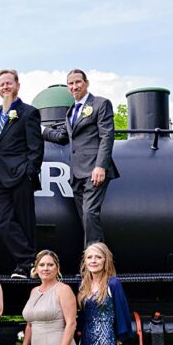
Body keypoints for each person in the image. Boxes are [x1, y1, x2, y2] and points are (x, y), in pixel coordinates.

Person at [41, 69, 120, 246]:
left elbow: (107, 135)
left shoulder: (100, 103)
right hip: (76, 173)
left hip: (94, 169)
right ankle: (94, 258)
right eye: (71, 83)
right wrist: (41, 130)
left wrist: (101, 166)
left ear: (86, 83)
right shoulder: (71, 112)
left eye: (78, 82)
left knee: (90, 213)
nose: (74, 86)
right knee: (85, 218)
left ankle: (94, 261)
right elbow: (62, 137)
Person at [0, 69, 43, 279]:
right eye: (2, 84)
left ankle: (24, 266)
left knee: (25, 221)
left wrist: (29, 172)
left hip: (21, 175)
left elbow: (36, 146)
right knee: (4, 222)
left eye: (9, 83)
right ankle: (31, 260)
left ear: (17, 85)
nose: (5, 87)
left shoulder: (29, 112)